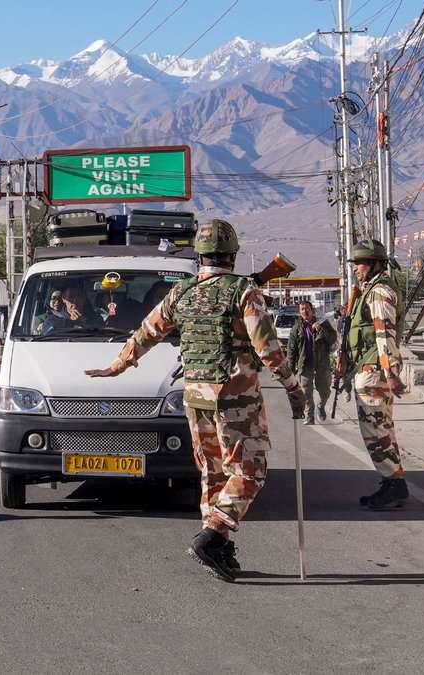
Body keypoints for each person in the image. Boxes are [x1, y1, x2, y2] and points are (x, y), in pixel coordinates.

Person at [85, 218, 307, 582]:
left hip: (195, 397)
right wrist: (293, 387)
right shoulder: (243, 292)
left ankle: (220, 548)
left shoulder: (182, 292)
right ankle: (211, 535)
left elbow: (147, 331)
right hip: (234, 399)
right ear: (232, 256)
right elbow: (267, 348)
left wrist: (117, 366)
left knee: (213, 473)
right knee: (250, 472)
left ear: (200, 257)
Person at [340, 239, 409, 510]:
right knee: (380, 428)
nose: (356, 268)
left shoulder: (379, 292)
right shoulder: (370, 290)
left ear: (376, 264)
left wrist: (390, 370)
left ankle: (394, 483)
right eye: (355, 263)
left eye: (361, 263)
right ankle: (393, 481)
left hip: (374, 371)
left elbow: (384, 331)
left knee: (376, 430)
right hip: (369, 368)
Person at [286, 300, 337, 424]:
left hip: (322, 363)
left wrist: (321, 330)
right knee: (306, 393)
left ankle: (321, 406)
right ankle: (310, 416)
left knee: (325, 390)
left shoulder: (323, 323)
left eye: (307, 308)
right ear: (300, 312)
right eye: (302, 309)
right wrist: (290, 371)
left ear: (312, 310)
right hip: (305, 364)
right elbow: (291, 350)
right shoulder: (296, 328)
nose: (305, 311)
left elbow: (333, 339)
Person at [36, 285, 101, 336]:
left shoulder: (93, 316)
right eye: (71, 297)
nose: (57, 302)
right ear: (65, 300)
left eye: (78, 296)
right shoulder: (46, 319)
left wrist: (84, 321)